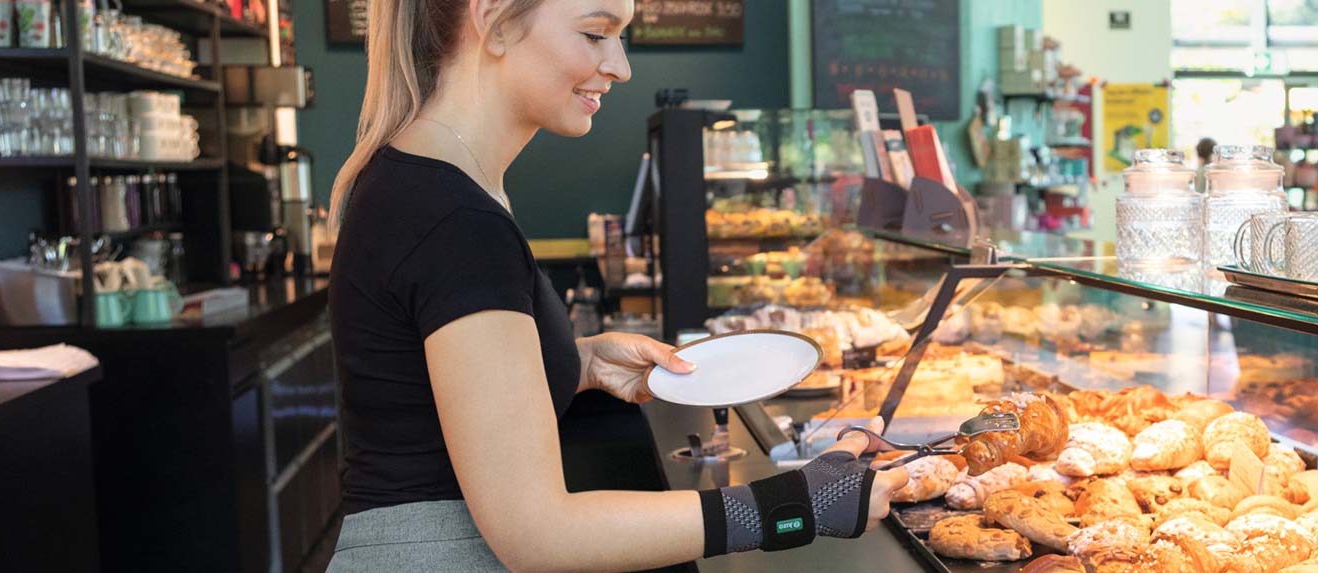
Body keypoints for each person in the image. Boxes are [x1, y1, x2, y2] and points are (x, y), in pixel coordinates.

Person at [323, 0, 907, 569]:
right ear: (495, 21)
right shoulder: (456, 218)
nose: (620, 66)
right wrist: (795, 504)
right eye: (595, 34)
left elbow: (415, 394)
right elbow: (538, 535)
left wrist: (577, 363)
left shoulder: (419, 184)